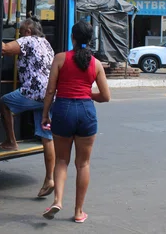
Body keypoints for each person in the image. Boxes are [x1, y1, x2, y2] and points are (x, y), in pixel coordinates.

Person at [40, 20, 110, 223]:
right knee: (83, 164)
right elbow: (106, 96)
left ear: (73, 37)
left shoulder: (60, 58)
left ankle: (57, 201)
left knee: (62, 160)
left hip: (63, 110)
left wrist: (45, 114)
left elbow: (50, 90)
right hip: (86, 112)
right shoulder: (96, 64)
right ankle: (79, 212)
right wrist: (88, 95)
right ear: (90, 40)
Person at [1, 16, 56, 198]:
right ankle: (49, 179)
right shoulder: (46, 43)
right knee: (47, 137)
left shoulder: (29, 40)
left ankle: (12, 142)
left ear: (28, 31)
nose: (20, 34)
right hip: (49, 95)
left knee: (4, 103)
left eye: (21, 31)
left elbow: (4, 48)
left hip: (34, 92)